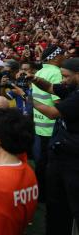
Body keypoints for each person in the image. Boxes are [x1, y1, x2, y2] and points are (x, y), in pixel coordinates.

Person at [27, 57, 79, 235]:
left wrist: (29, 100)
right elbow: (50, 87)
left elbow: (52, 113)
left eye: (66, 76)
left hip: (73, 159)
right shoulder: (72, 89)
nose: (63, 80)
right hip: (63, 152)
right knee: (56, 203)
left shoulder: (77, 97)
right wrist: (34, 79)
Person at [31, 45, 64, 203]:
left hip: (39, 123)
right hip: (52, 126)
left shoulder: (39, 72)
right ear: (54, 56)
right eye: (61, 54)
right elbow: (59, 102)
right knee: (51, 165)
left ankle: (40, 194)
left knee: (40, 162)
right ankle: (47, 196)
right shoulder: (56, 73)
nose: (64, 57)